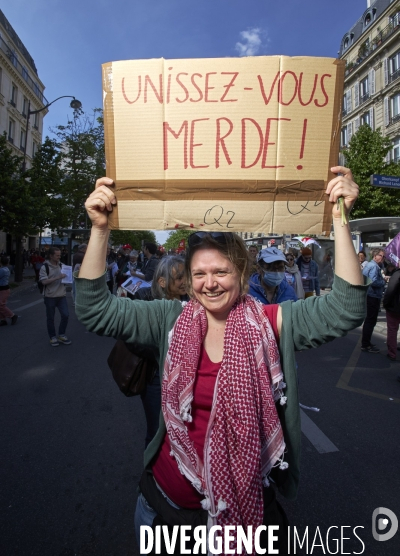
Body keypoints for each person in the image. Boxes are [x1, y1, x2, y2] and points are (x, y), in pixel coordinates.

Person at [75, 166, 367, 553]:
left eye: (221, 271)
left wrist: (340, 220)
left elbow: (346, 309)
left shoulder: (272, 322)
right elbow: (93, 309)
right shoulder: (170, 320)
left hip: (243, 518)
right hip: (163, 511)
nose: (209, 283)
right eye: (199, 273)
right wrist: (99, 229)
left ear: (242, 271)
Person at [128, 256, 189, 447]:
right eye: (179, 278)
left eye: (187, 276)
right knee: (157, 431)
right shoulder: (144, 298)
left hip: (186, 377)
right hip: (155, 377)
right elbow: (133, 340)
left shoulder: (192, 300)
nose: (185, 282)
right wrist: (164, 349)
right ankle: (152, 473)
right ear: (162, 281)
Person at [39, 247, 71, 347]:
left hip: (61, 295)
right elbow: (43, 281)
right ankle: (52, 337)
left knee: (65, 315)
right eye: (57, 255)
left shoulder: (62, 265)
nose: (59, 257)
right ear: (51, 256)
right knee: (50, 318)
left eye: (59, 255)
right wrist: (57, 277)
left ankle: (61, 334)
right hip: (50, 296)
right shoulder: (45, 267)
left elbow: (69, 274)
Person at [361, 248, 386, 353]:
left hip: (369, 296)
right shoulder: (374, 267)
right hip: (372, 296)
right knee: (371, 321)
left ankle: (366, 342)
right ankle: (366, 344)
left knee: (369, 320)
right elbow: (373, 282)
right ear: (375, 256)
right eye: (382, 256)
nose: (383, 258)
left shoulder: (371, 265)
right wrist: (383, 281)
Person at [382, 266, 400, 361]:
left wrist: (386, 303)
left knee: (392, 330)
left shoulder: (397, 274)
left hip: (395, 307)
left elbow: (390, 290)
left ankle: (392, 353)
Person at [0, 256, 18, 326]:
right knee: (1, 304)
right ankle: (2, 319)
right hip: (4, 288)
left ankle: (12, 315)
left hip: (3, 289)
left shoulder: (2, 270)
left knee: (1, 305)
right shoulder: (6, 269)